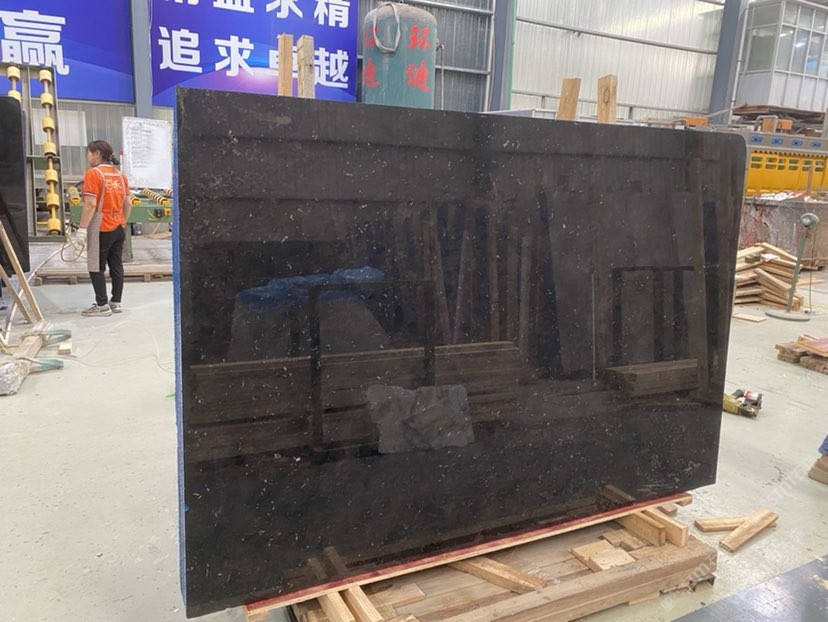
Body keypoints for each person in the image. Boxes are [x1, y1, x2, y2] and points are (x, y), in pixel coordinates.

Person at [73, 140, 131, 317]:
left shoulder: (94, 174)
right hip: (118, 226)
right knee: (116, 264)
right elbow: (128, 203)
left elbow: (90, 204)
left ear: (97, 154)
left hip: (101, 227)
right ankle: (116, 302)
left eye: (89, 153)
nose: (88, 157)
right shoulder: (120, 176)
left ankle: (101, 305)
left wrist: (82, 229)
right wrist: (122, 221)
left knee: (95, 266)